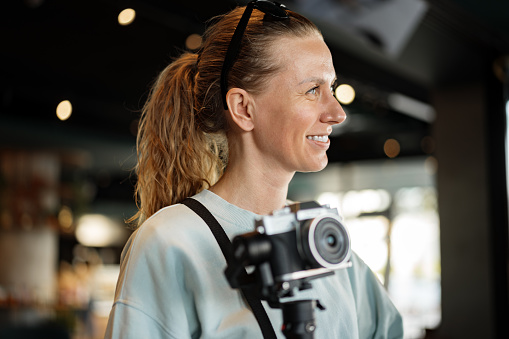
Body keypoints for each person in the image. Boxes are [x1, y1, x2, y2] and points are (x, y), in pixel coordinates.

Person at [105, 1, 403, 338]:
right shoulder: (170, 241)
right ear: (244, 108)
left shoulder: (320, 240)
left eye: (331, 88)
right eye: (312, 90)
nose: (337, 113)